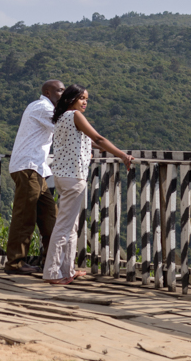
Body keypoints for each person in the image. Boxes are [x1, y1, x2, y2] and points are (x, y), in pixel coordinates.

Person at [41, 85, 133, 285]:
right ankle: (52, 272)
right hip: (74, 177)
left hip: (62, 176)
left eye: (86, 99)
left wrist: (105, 149)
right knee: (64, 226)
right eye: (81, 98)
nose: (84, 102)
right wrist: (122, 155)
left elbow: (87, 142)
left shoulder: (60, 117)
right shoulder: (75, 116)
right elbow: (98, 137)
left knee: (71, 225)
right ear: (71, 98)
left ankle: (68, 269)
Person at [5, 80, 64, 275]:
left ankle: (52, 262)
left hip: (38, 170)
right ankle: (15, 263)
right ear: (48, 92)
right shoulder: (42, 107)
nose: (62, 93)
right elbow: (65, 129)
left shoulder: (42, 107)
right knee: (25, 217)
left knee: (50, 216)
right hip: (28, 167)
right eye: (59, 90)